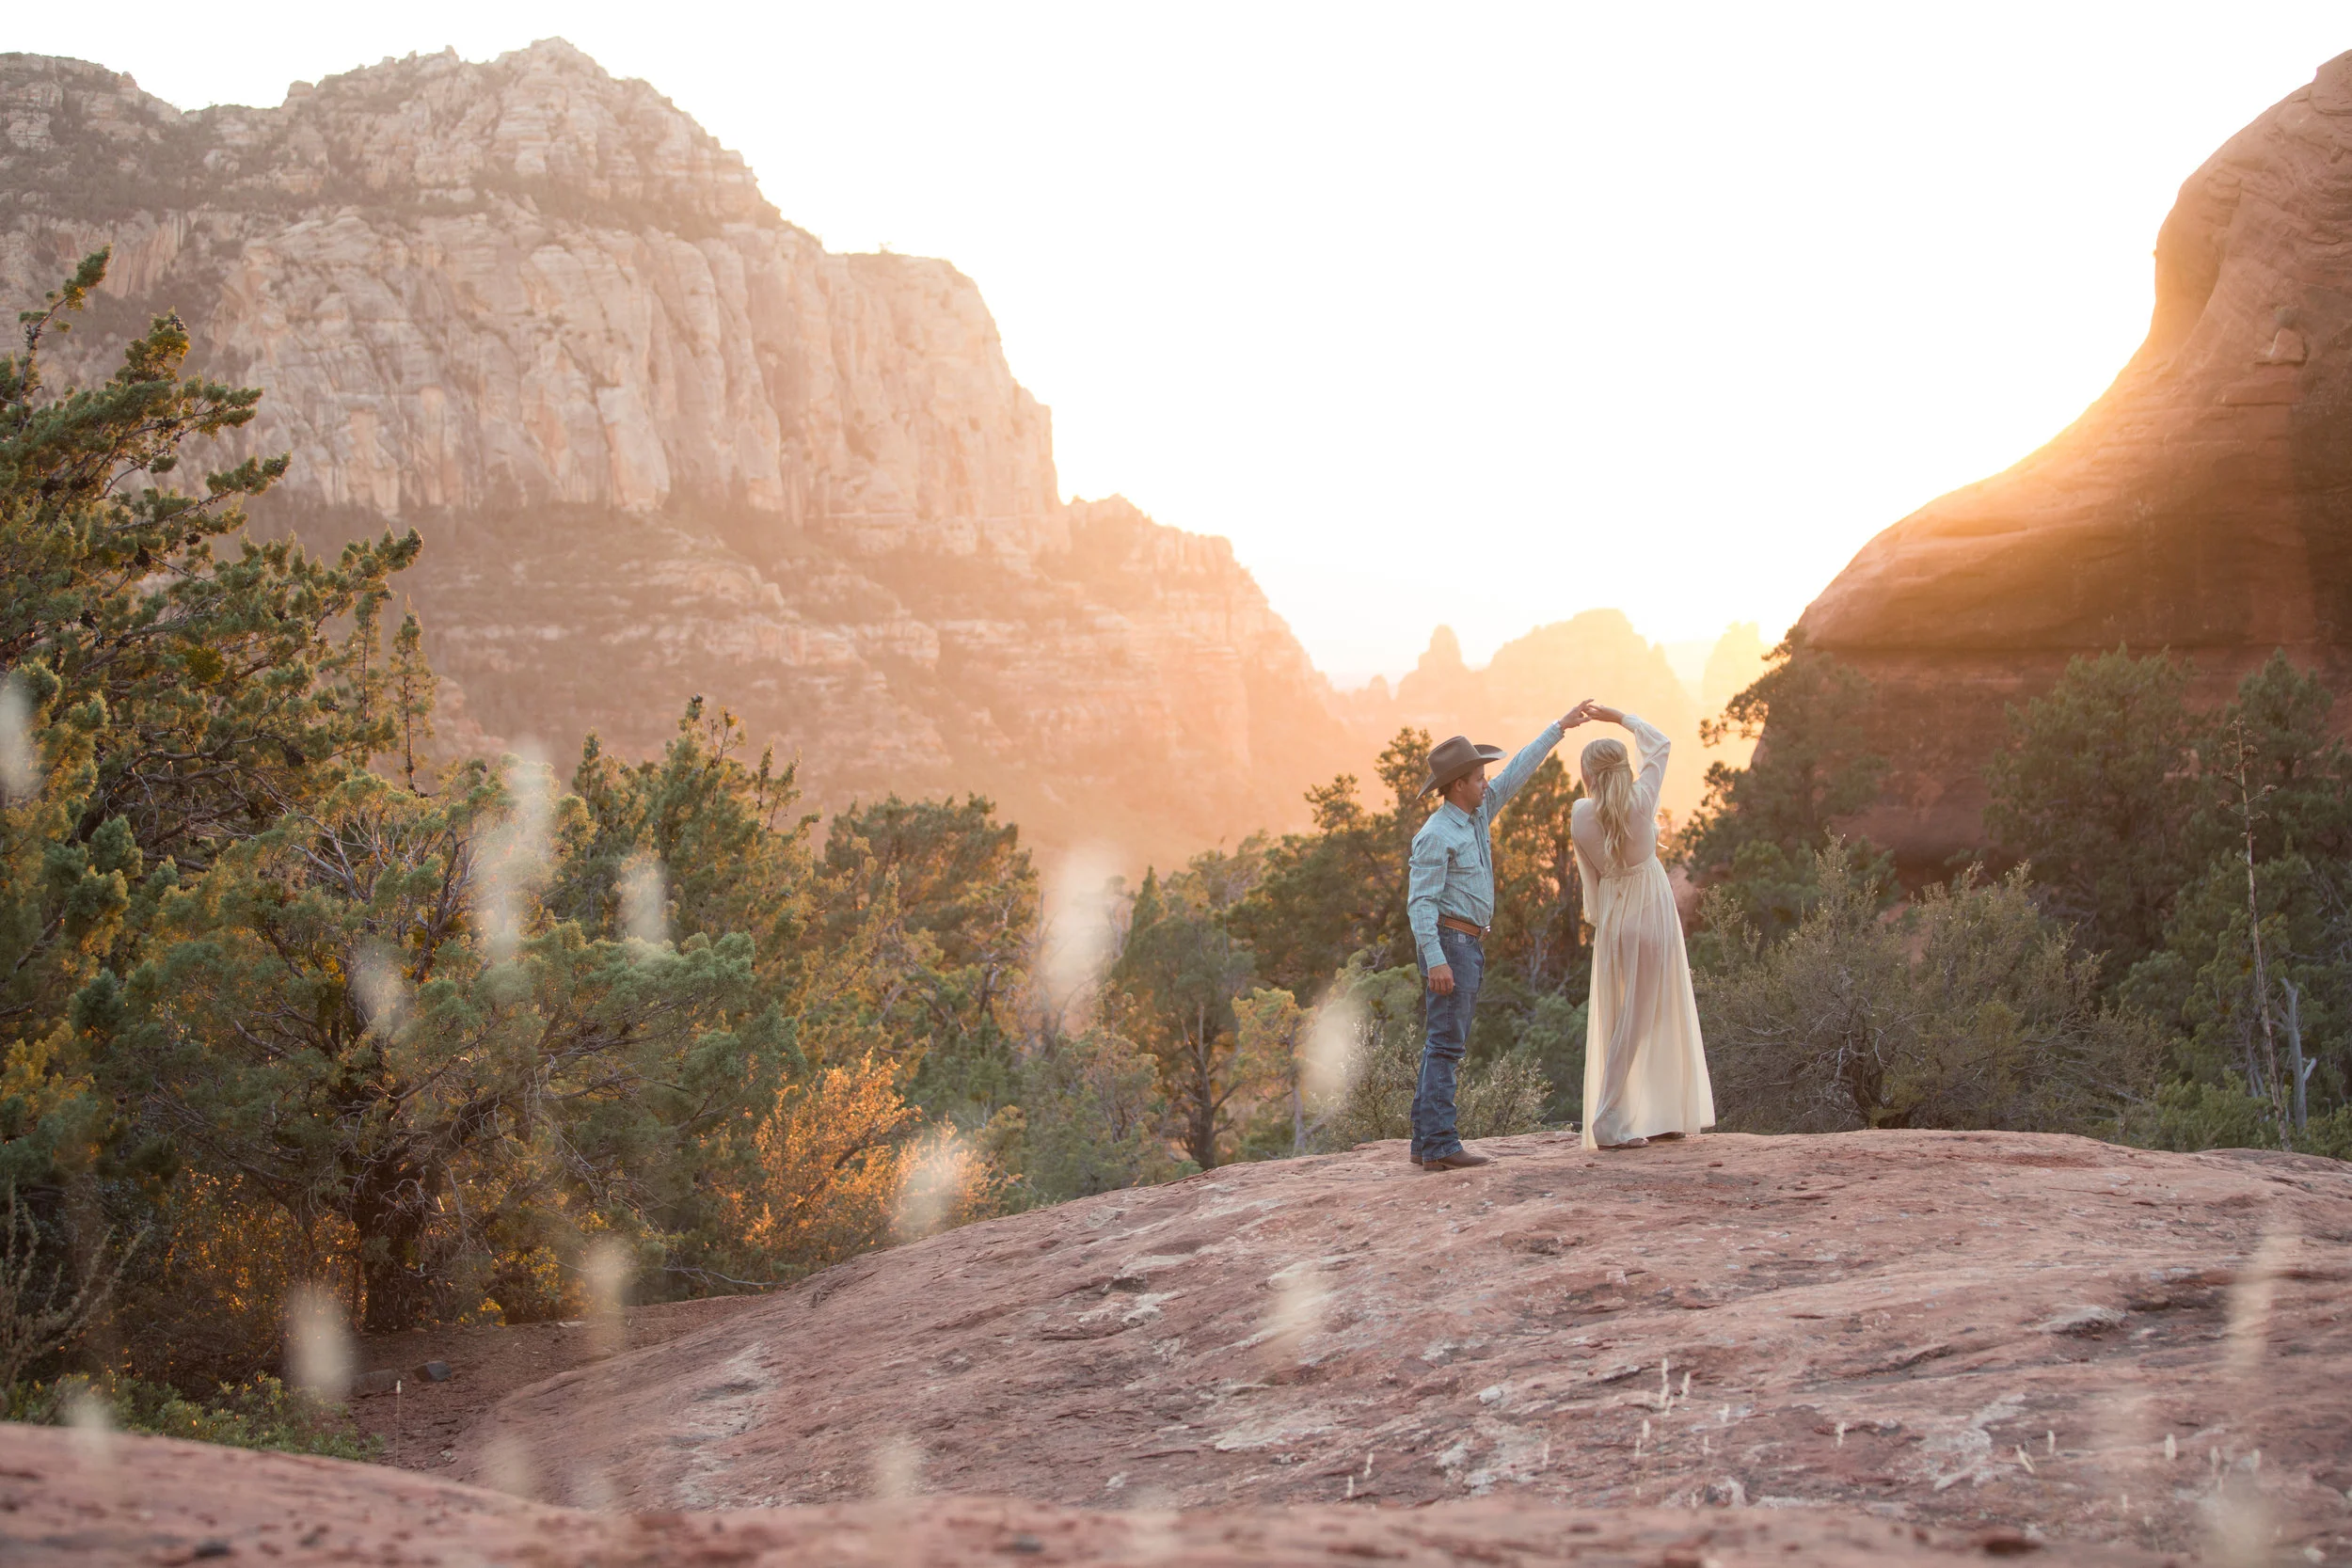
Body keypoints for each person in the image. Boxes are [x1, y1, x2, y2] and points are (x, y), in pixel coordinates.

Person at [1406, 704, 1588, 1171]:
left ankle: (1425, 1144)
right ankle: (1442, 1144)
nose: (1487, 781)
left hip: (1466, 945)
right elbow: (1420, 903)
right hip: (1450, 945)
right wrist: (1437, 959)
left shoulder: (1476, 814)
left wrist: (1559, 729)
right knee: (1446, 1046)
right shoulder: (1436, 834)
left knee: (1440, 1043)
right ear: (1458, 784)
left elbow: (1517, 772)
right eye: (1479, 777)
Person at [1569, 705, 1715, 1150]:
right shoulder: (1641, 799)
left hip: (1616, 916)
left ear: (1589, 777)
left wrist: (1603, 917)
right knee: (1657, 1011)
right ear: (1623, 769)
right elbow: (1662, 745)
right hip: (1652, 913)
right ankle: (1614, 1120)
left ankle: (1650, 1114)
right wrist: (1621, 718)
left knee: (1623, 1017)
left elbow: (1591, 881)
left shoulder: (1580, 813)